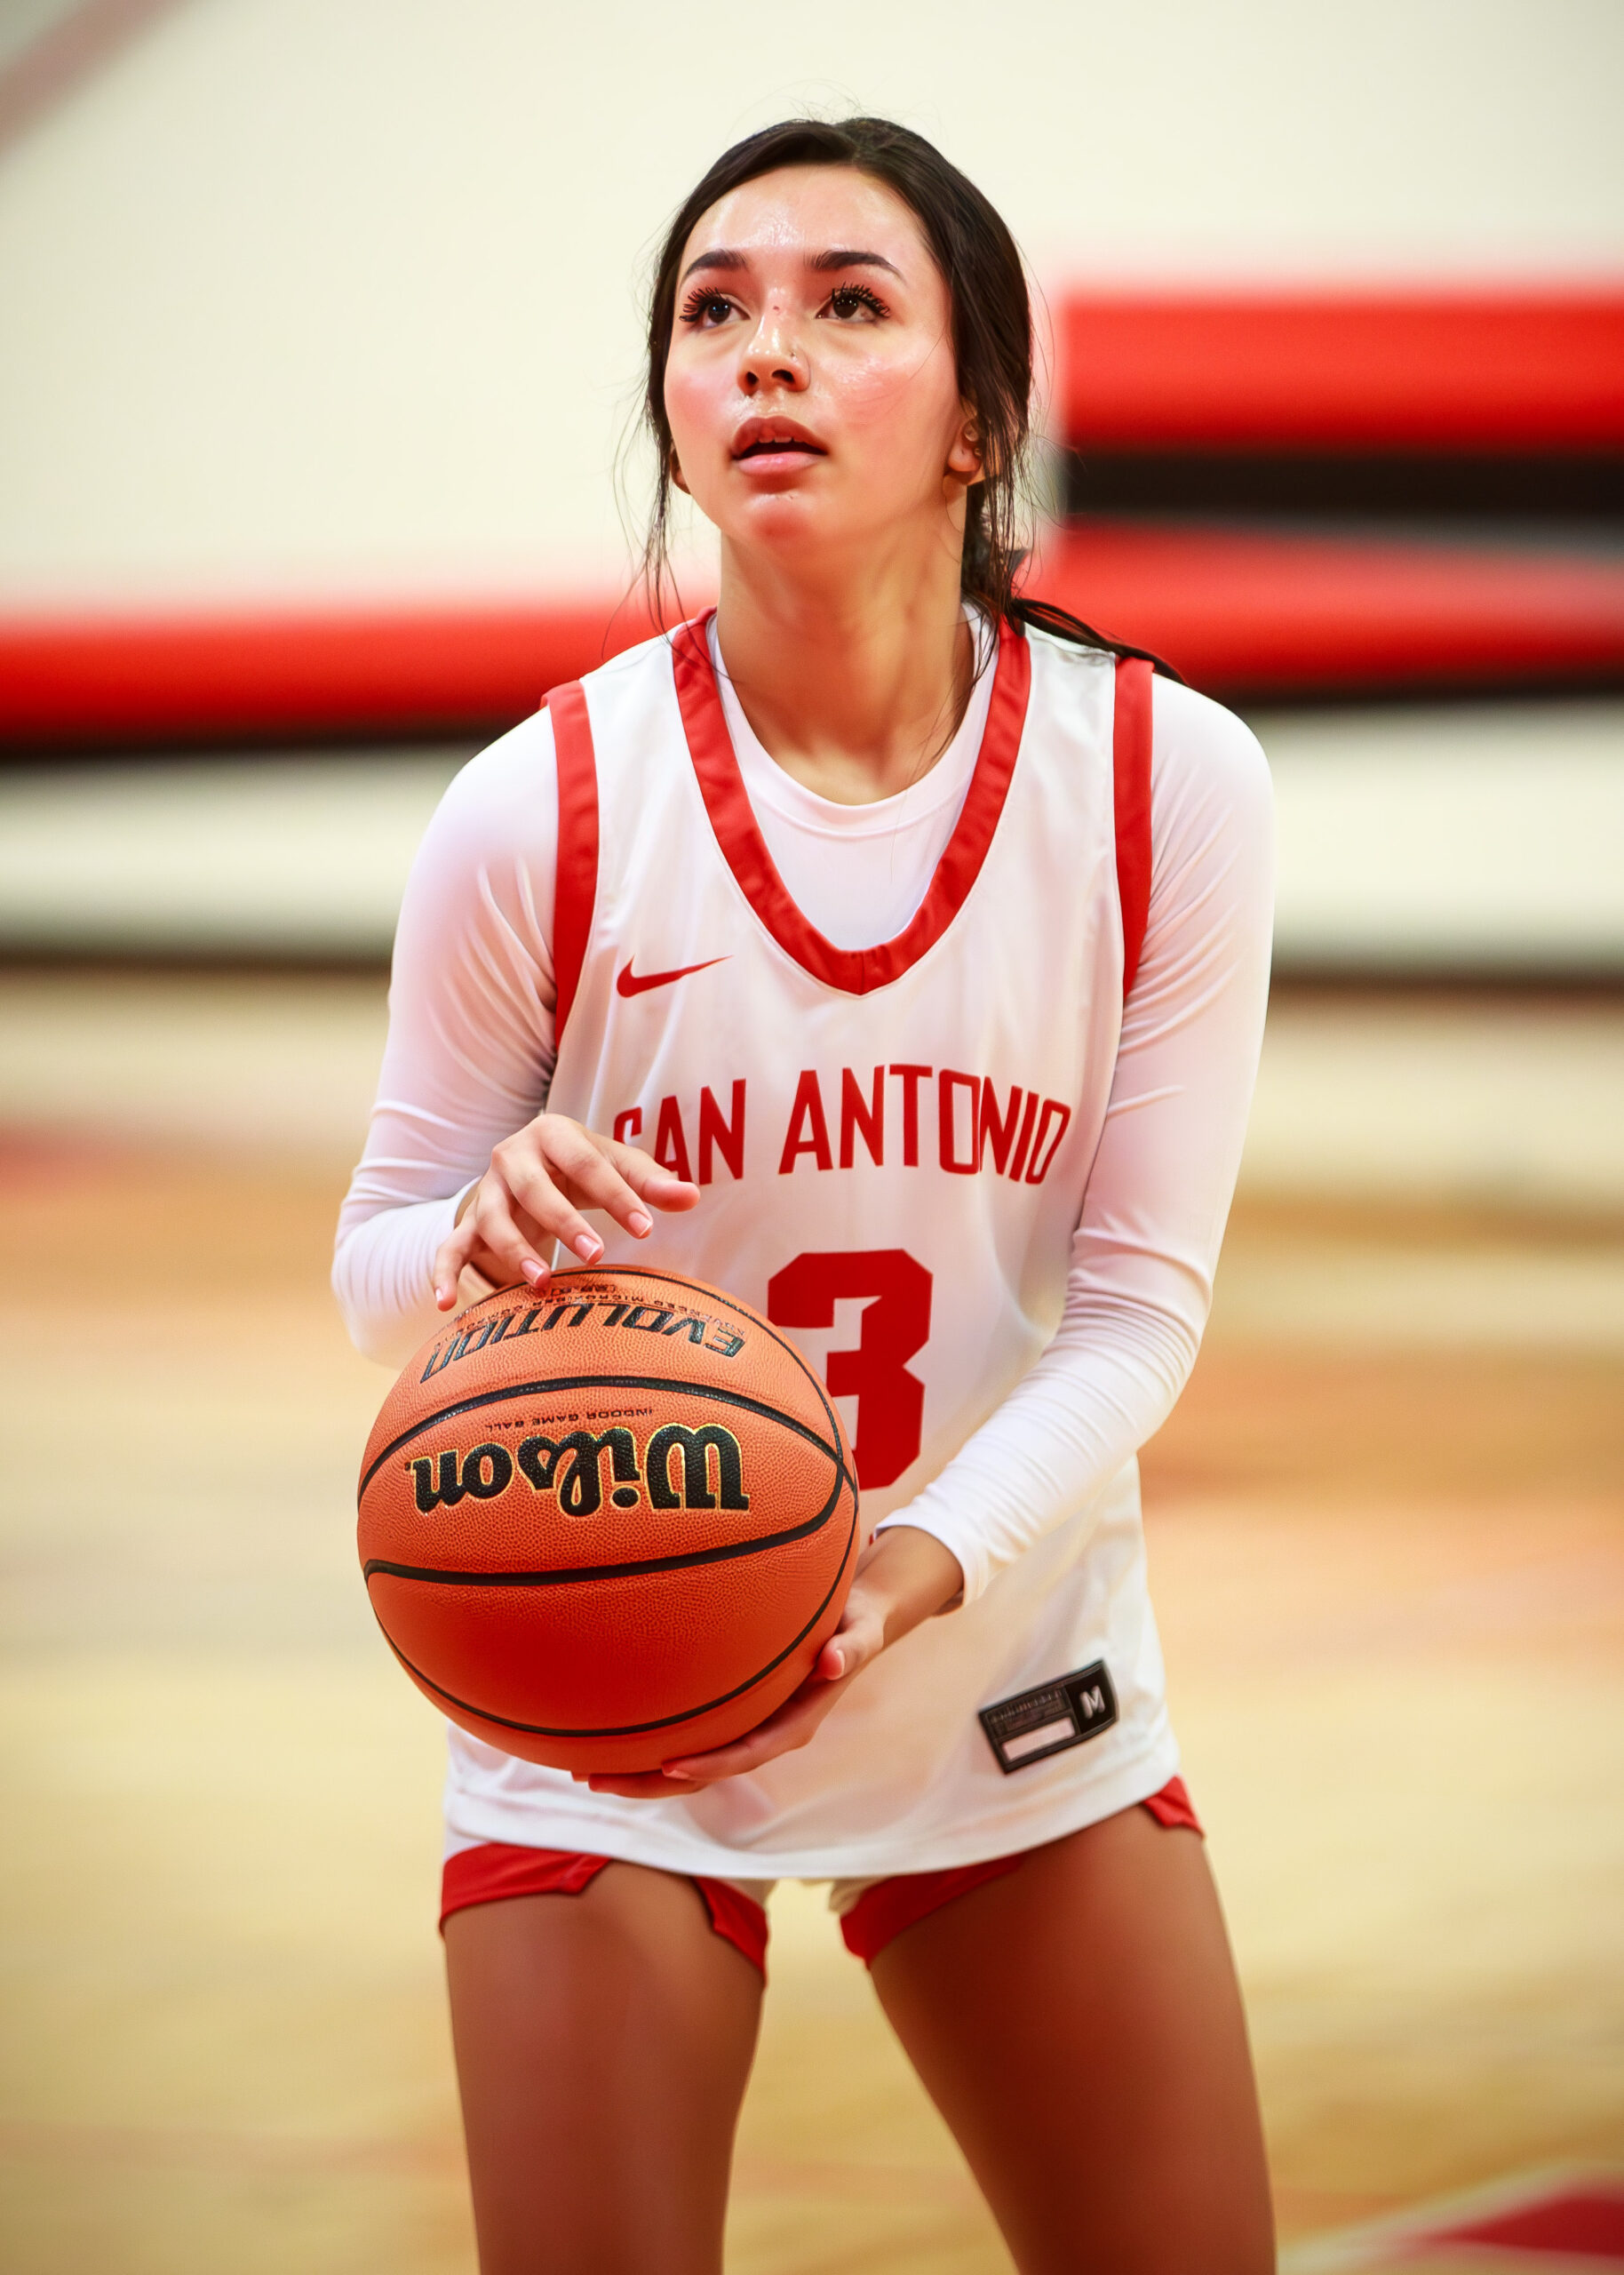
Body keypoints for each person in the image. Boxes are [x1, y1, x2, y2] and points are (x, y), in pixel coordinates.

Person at [334, 115, 1276, 2275]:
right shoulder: (540, 807)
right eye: (712, 310)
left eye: (848, 305)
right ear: (665, 410)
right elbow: (378, 1271)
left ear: (982, 421)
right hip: (601, 1673)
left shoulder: (1157, 784)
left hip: (996, 1648)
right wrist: (473, 1232)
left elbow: (1136, 1310)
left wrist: (912, 1564)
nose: (767, 351)